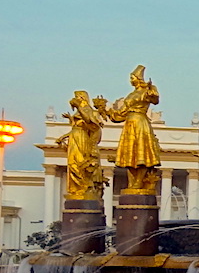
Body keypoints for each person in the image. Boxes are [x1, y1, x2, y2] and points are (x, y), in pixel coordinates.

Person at [105, 65, 162, 194]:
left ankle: (139, 181)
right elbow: (120, 115)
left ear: (138, 78)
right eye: (130, 77)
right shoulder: (130, 95)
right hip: (129, 125)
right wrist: (106, 111)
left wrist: (151, 89)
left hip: (140, 123)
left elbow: (155, 100)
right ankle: (132, 183)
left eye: (132, 77)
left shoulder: (146, 91)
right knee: (130, 156)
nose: (131, 80)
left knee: (141, 156)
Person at [55, 90, 108, 200]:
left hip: (82, 140)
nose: (75, 99)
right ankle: (77, 189)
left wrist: (79, 107)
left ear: (83, 98)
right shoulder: (79, 113)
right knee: (72, 163)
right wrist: (63, 137)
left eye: (77, 97)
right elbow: (75, 127)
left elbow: (90, 123)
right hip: (74, 139)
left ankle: (84, 186)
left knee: (80, 163)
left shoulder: (88, 110)